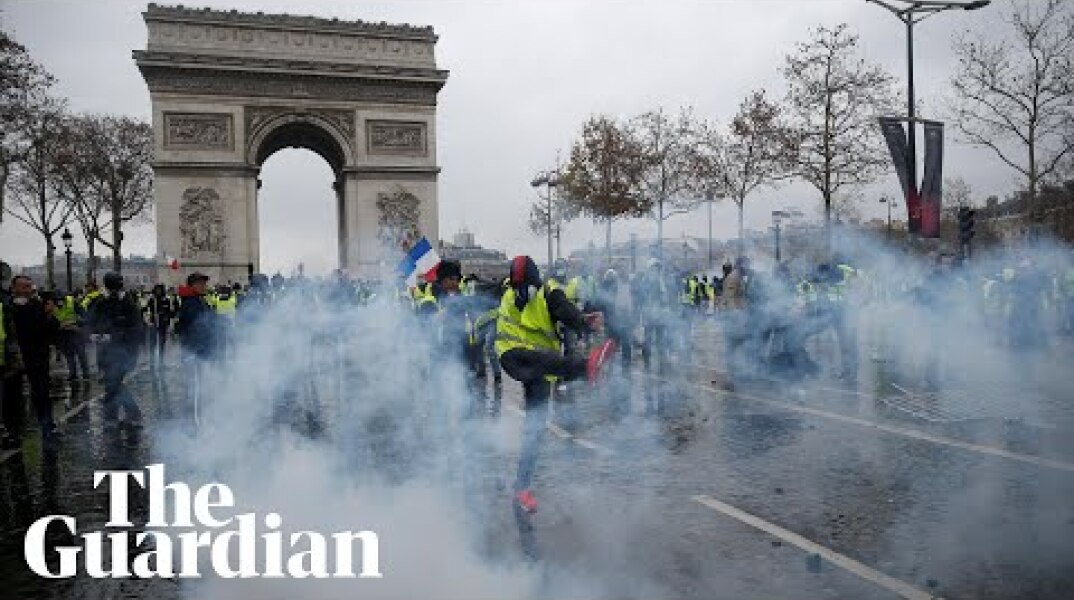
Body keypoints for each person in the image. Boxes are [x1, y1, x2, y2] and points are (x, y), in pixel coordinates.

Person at [495, 256, 613, 513]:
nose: (521, 292)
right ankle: (587, 368)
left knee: (535, 427)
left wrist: (584, 323)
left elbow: (566, 312)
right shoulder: (507, 293)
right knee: (547, 360)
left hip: (540, 370)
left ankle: (522, 488)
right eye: (516, 287)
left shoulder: (549, 293)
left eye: (525, 285)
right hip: (512, 355)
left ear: (536, 282)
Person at [5, 275, 60, 445]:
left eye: (29, 287)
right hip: (13, 357)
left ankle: (48, 427)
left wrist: (50, 315)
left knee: (42, 393)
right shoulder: (6, 307)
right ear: (13, 289)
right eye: (23, 287)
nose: (27, 290)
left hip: (37, 356)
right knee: (12, 397)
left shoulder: (38, 305)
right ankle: (13, 432)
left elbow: (52, 329)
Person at [88, 272, 145, 428]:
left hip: (124, 351)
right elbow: (90, 322)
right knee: (112, 384)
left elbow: (137, 329)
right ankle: (130, 414)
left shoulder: (128, 303)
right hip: (106, 352)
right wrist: (94, 335)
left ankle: (113, 417)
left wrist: (113, 337)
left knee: (112, 383)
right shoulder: (100, 302)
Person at [174, 272, 217, 427]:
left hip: (202, 352)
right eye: (201, 283)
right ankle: (195, 422)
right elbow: (193, 330)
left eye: (204, 283)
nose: (204, 286)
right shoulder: (191, 304)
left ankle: (199, 417)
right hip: (195, 353)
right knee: (196, 389)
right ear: (193, 286)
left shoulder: (199, 301)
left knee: (200, 386)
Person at [54, 290, 90, 382]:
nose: (59, 303)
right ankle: (73, 374)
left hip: (75, 331)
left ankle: (86, 373)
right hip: (62, 333)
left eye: (61, 300)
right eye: (57, 301)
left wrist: (76, 323)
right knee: (68, 354)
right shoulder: (52, 306)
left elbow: (85, 316)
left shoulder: (72, 302)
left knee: (81, 353)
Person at [144, 283, 175, 365]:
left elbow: (171, 313)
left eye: (160, 289)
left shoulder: (167, 300)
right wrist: (148, 321)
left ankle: (161, 362)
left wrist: (168, 322)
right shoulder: (151, 299)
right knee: (152, 345)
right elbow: (146, 311)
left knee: (162, 344)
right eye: (157, 289)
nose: (158, 291)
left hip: (163, 325)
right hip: (153, 324)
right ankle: (152, 363)